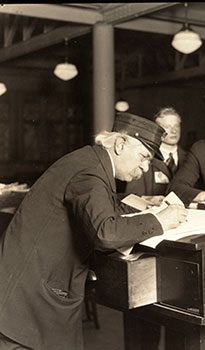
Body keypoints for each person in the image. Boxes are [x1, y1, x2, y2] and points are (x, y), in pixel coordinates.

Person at [0, 112, 188, 350]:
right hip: (28, 303)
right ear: (120, 144)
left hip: (31, 292)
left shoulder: (91, 161)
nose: (144, 167)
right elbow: (105, 232)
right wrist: (158, 220)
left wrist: (136, 202)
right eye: (143, 157)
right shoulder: (90, 173)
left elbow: (95, 204)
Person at [123, 107, 187, 199]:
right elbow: (132, 198)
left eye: (176, 126)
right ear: (157, 131)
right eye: (167, 127)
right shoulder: (142, 159)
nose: (174, 131)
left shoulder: (190, 158)